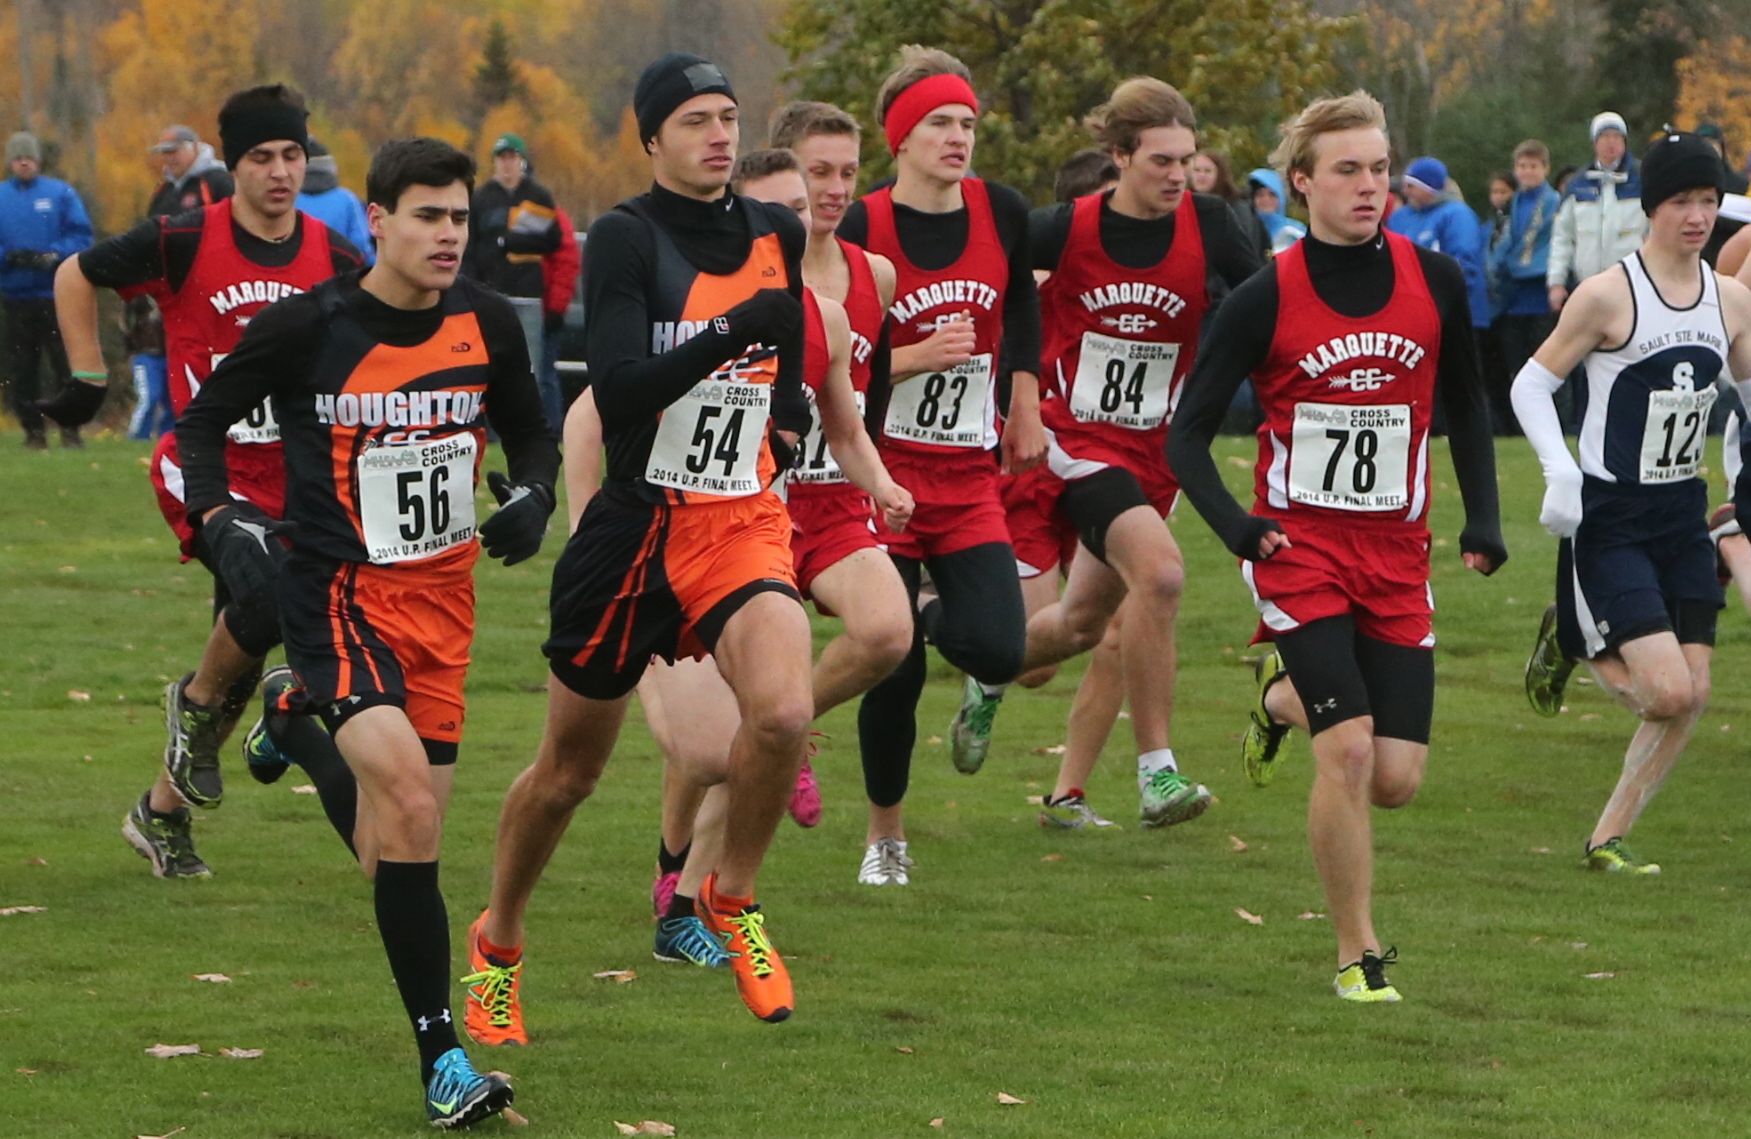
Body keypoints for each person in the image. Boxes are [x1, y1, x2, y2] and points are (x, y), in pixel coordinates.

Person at [175, 135, 553, 1128]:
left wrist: (535, 494)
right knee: (411, 811)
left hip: (444, 606)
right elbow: (200, 425)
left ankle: (293, 727)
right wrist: (219, 521)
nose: (448, 234)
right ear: (376, 220)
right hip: (336, 594)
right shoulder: (310, 325)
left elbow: (530, 428)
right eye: (427, 216)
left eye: (459, 217)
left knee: (397, 847)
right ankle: (444, 1063)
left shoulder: (485, 320)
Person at [464, 52, 815, 1034]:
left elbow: (787, 327)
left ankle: (730, 894)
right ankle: (498, 940)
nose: (718, 135)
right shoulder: (626, 237)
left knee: (783, 713)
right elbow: (615, 390)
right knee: (566, 774)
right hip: (634, 527)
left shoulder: (775, 232)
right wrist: (732, 331)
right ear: (652, 138)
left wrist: (785, 413)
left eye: (728, 117)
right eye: (695, 120)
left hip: (736, 517)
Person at [1169, 91, 1506, 1002]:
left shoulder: (1433, 279)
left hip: (1395, 552)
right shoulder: (1263, 297)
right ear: (1302, 183)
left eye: (1379, 168)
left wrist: (1482, 516)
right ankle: (1357, 952)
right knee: (1349, 751)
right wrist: (1237, 528)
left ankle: (1277, 697)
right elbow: (1185, 436)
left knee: (1394, 778)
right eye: (1347, 169)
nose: (1368, 185)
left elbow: (1467, 402)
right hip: (1300, 547)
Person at [597, 147, 914, 949]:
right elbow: (593, 415)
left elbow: (846, 424)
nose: (789, 224)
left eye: (798, 209)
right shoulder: (679, 304)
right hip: (664, 545)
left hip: (773, 532)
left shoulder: (828, 315)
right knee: (663, 759)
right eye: (773, 210)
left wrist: (881, 483)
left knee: (865, 645)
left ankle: (706, 883)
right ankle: (668, 871)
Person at [47, 85, 363, 878]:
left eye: (292, 155)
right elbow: (74, 273)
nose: (280, 172)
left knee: (245, 650)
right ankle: (226, 706)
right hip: (205, 465)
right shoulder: (183, 237)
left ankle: (161, 809)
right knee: (267, 596)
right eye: (261, 157)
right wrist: (87, 375)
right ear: (233, 165)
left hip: (296, 480)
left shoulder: (336, 257)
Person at [952, 77, 1264, 828]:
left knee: (1082, 625)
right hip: (1075, 438)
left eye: (1186, 160)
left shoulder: (1211, 224)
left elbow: (1267, 307)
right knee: (1161, 574)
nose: (1177, 176)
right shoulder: (1062, 228)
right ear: (1119, 156)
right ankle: (1158, 775)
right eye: (1161, 160)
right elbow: (988, 281)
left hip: (1158, 452)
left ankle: (990, 673)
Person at [1513, 132, 1751, 876]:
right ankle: (1571, 637)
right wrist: (1559, 471)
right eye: (1681, 201)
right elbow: (1531, 384)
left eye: (1708, 201)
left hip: (1682, 515)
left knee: (1693, 693)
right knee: (1665, 691)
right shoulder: (1607, 295)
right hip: (1609, 518)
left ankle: (1606, 838)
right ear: (1651, 206)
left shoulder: (1730, 300)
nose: (1697, 216)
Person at [834, 45, 1041, 873]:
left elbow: (1020, 298)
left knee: (999, 649)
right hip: (882, 470)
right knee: (894, 673)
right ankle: (885, 836)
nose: (958, 138)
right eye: (939, 124)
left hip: (966, 470)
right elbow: (834, 354)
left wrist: (1024, 395)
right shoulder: (864, 227)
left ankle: (925, 614)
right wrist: (913, 356)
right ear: (900, 139)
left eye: (967, 124)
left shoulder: (1001, 210)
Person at [766, 102, 936, 881]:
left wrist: (880, 476)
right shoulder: (745, 273)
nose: (835, 190)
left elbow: (865, 390)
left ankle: (790, 725)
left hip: (835, 500)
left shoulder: (876, 275)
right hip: (755, 505)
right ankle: (683, 880)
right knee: (708, 745)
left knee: (887, 632)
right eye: (817, 173)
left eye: (847, 172)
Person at [2, 131, 92, 449]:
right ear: (10, 162)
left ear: (38, 160)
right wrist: (9, 257)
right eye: (18, 158)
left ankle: (71, 429)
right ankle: (33, 432)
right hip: (16, 298)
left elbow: (81, 236)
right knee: (23, 369)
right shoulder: (2, 197)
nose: (24, 163)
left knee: (65, 365)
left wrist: (54, 254)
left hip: (57, 297)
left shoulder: (60, 193)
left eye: (29, 157)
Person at [463, 132, 559, 381]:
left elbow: (554, 240)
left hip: (528, 295)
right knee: (490, 364)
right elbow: (469, 246)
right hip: (491, 294)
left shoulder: (538, 196)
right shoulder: (481, 198)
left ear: (521, 160)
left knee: (530, 367)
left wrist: (511, 242)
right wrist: (472, 288)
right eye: (502, 158)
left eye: (512, 157)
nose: (507, 164)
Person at [1492, 140, 1563, 432]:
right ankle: (1521, 425)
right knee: (1516, 364)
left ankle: (1554, 423)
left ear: (1545, 168)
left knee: (1546, 363)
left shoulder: (1554, 202)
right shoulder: (1513, 203)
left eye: (1533, 166)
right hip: (1514, 295)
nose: (1527, 172)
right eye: (1522, 166)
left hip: (1541, 292)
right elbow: (1503, 242)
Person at [1548, 112, 1646, 315]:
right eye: (1605, 136)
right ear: (1595, 142)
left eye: (1617, 136)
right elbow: (1562, 237)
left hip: (1633, 284)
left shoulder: (1642, 179)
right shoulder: (1577, 184)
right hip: (1587, 286)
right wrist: (1556, 283)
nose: (1611, 142)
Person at [536, 203, 581, 432]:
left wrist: (556, 307)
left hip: (544, 311)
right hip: (534, 308)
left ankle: (551, 427)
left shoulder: (549, 215)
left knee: (544, 374)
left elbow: (567, 263)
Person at [296, 137, 375, 263]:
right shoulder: (348, 200)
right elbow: (361, 246)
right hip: (340, 271)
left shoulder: (287, 202)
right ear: (331, 168)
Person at [1192, 148, 1270, 260]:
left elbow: (1246, 250)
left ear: (1220, 174)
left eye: (1207, 171)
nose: (1201, 175)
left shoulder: (1237, 208)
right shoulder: (1183, 205)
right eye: (1197, 170)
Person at [146, 124, 233, 217]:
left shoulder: (219, 181)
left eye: (173, 151)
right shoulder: (164, 189)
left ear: (194, 148)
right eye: (165, 153)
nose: (169, 158)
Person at [123, 296, 172, 439]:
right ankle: (138, 435)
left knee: (172, 400)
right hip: (145, 355)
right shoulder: (138, 299)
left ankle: (168, 435)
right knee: (150, 397)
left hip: (169, 354)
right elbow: (127, 323)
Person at [1247, 166, 1306, 254]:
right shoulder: (1246, 230)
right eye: (1260, 195)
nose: (1266, 199)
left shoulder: (1294, 231)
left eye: (1272, 195)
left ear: (1280, 198)